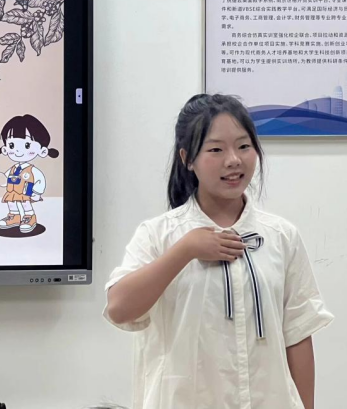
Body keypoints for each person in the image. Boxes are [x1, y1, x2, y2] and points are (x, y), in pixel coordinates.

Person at [104, 94, 333, 409]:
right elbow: (119, 309)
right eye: (215, 149)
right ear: (188, 158)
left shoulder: (281, 236)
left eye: (243, 146)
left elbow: (298, 334)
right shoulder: (159, 235)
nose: (233, 160)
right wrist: (185, 249)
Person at [0, 114, 58, 233]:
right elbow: (4, 181)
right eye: (11, 145)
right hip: (12, 192)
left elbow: (40, 180)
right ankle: (14, 217)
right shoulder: (13, 169)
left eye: (27, 145)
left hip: (26, 192)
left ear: (42, 151)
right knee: (11, 203)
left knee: (26, 204)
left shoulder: (32, 170)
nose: (17, 150)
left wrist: (37, 193)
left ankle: (29, 217)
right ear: (5, 148)